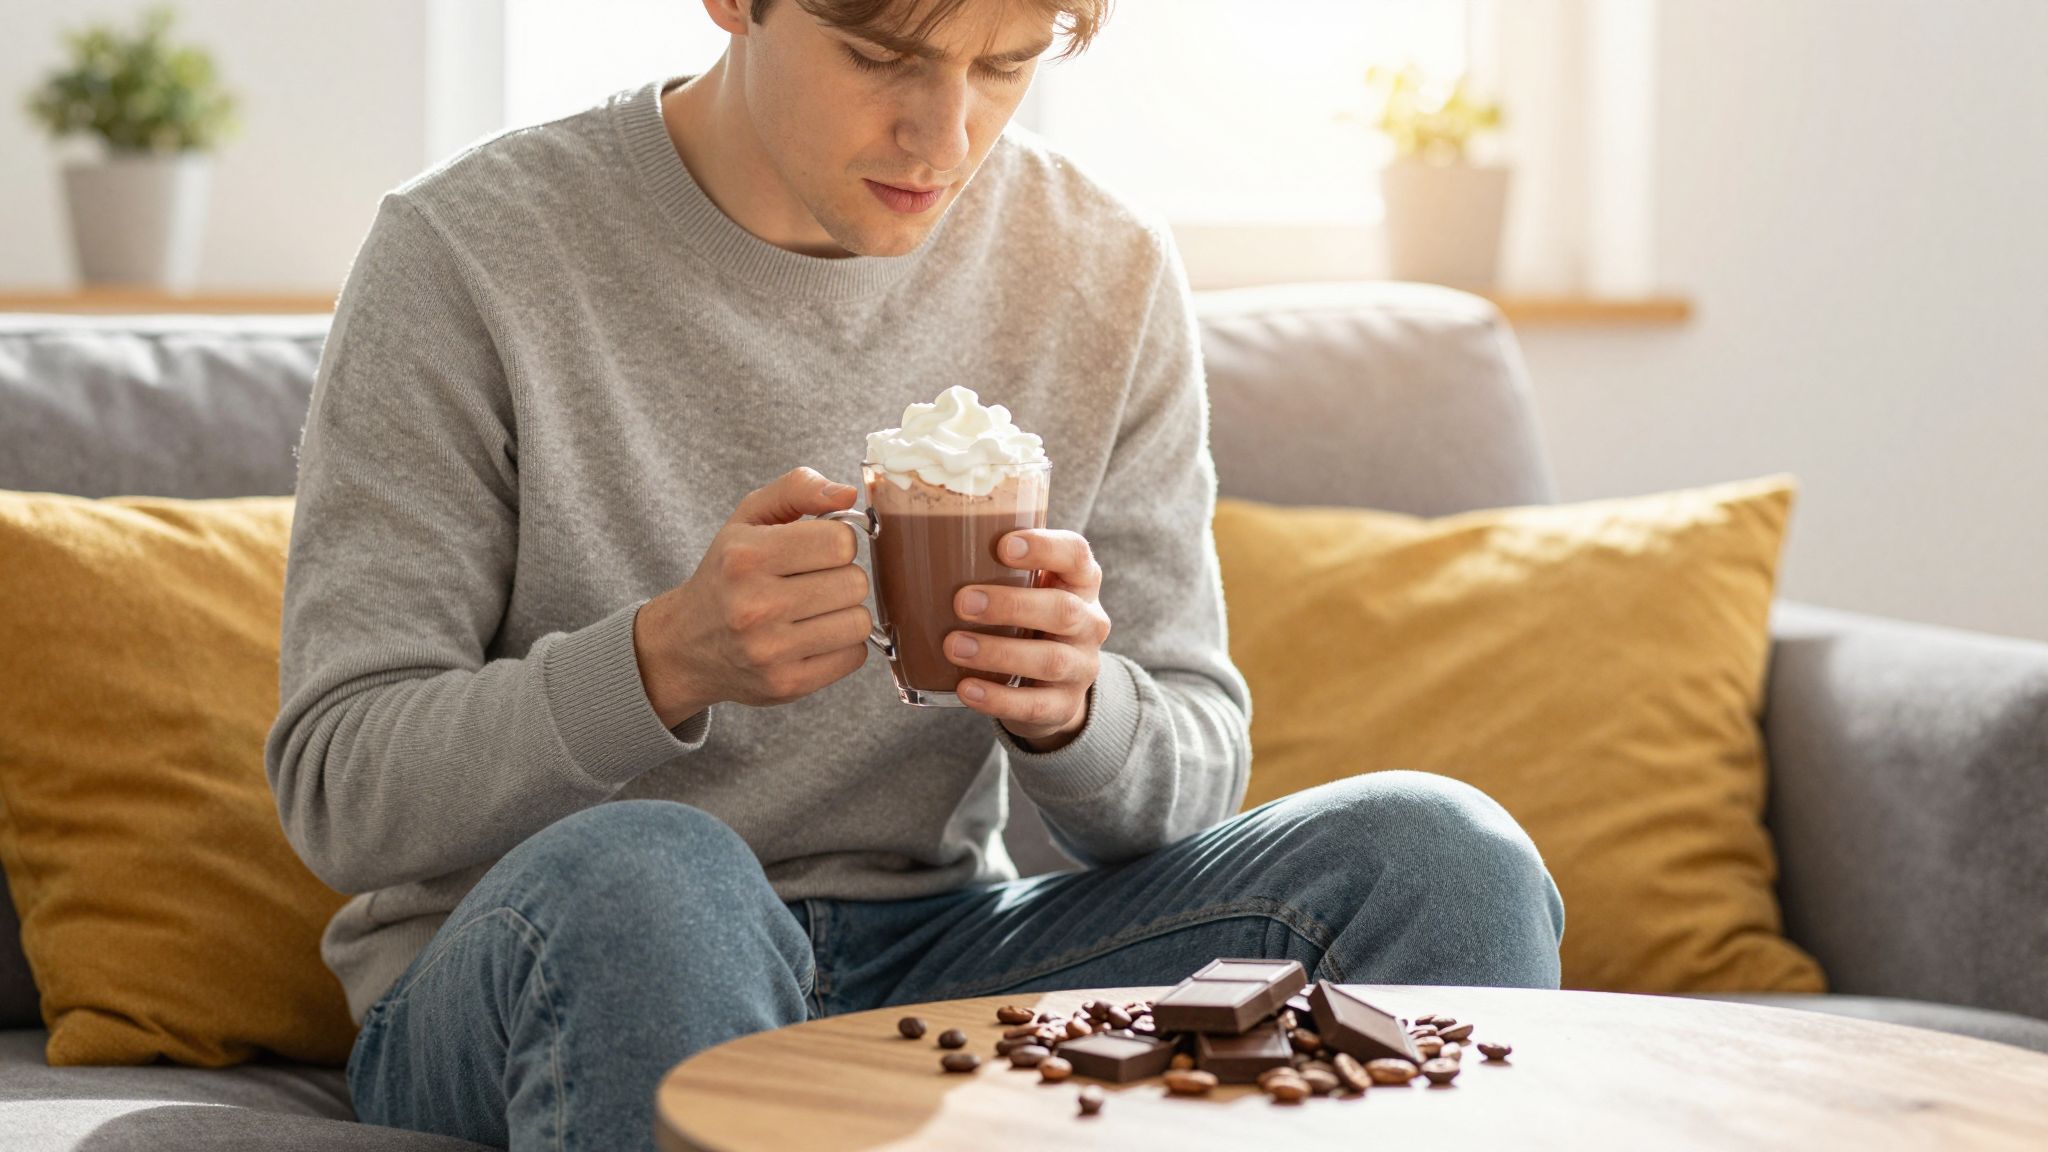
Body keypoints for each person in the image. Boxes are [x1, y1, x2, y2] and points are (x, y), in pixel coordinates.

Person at [265, 0, 1566, 1147]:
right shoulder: (466, 255)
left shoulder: (1101, 268)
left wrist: (1076, 709)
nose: (943, 138)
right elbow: (341, 787)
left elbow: (1193, 756)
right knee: (658, 878)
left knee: (1446, 860)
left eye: (1004, 65)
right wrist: (661, 662)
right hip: (553, 955)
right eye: (884, 56)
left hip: (937, 952)